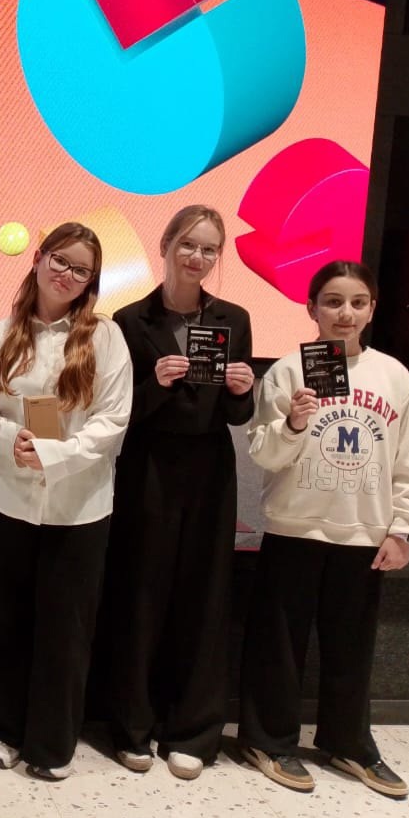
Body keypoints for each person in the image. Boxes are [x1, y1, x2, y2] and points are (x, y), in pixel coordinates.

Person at [238, 261, 409, 798]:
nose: (346, 313)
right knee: (280, 643)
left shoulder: (394, 376)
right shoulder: (288, 371)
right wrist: (294, 423)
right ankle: (269, 740)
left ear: (372, 310)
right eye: (333, 301)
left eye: (358, 302)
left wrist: (404, 527)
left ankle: (349, 743)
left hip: (363, 531)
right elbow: (263, 453)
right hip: (295, 527)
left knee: (351, 646)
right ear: (311, 308)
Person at [0, 222, 131, 780]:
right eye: (60, 260)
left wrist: (57, 455)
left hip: (79, 507)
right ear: (37, 258)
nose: (66, 274)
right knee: (5, 622)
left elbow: (113, 420)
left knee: (66, 630)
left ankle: (52, 745)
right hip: (7, 498)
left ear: (91, 281)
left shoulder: (106, 338)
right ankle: (3, 731)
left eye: (81, 269)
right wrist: (9, 439)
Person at [103, 205, 255, 779]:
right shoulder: (129, 320)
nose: (197, 257)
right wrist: (159, 384)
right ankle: (132, 726)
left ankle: (192, 730)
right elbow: (119, 413)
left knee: (205, 596)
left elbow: (237, 415)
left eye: (209, 249)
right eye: (188, 244)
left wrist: (242, 390)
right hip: (148, 467)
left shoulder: (234, 318)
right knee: (140, 593)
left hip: (211, 470)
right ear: (165, 244)